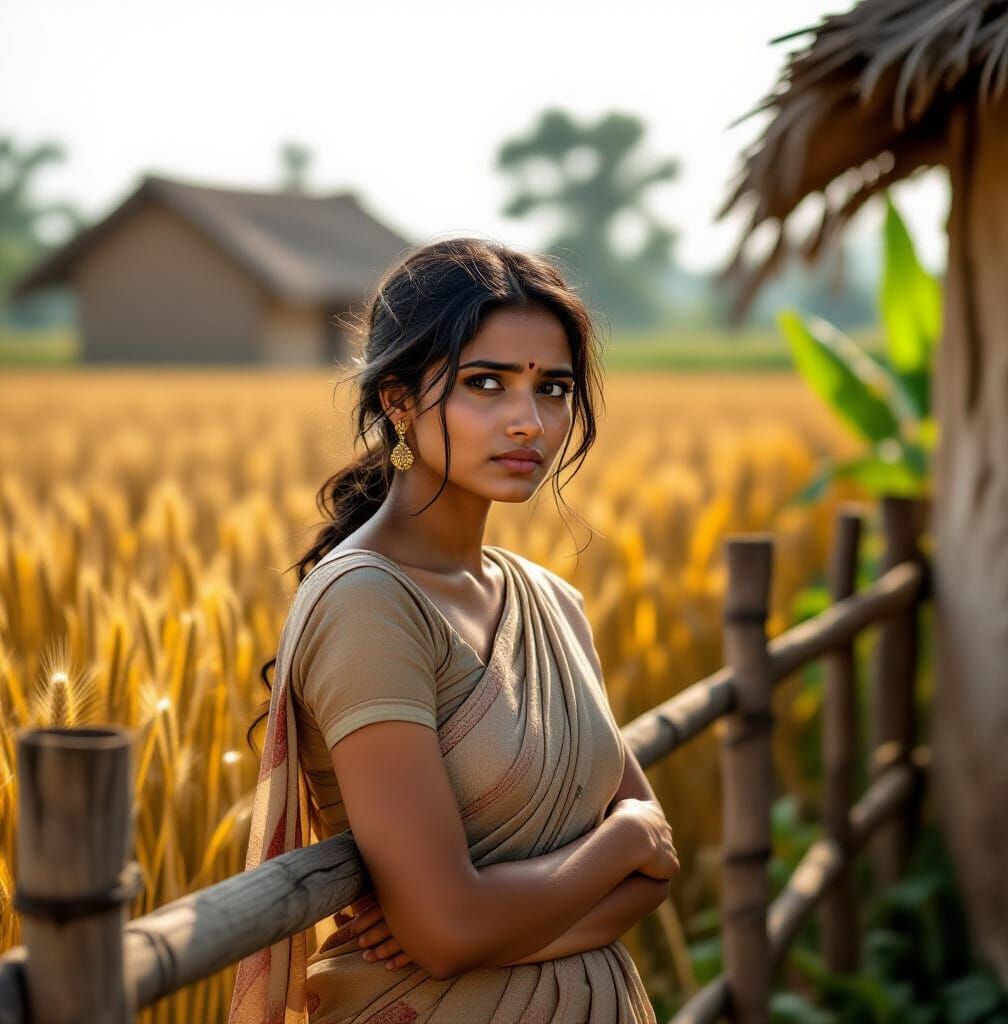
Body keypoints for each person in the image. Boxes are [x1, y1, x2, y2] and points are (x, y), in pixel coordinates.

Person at [229, 237, 679, 1024]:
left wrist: (490, 929)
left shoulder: (551, 602)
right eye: (486, 384)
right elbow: (447, 930)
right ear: (399, 401)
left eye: (553, 389)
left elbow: (659, 875)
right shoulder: (369, 604)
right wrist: (624, 838)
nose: (528, 421)